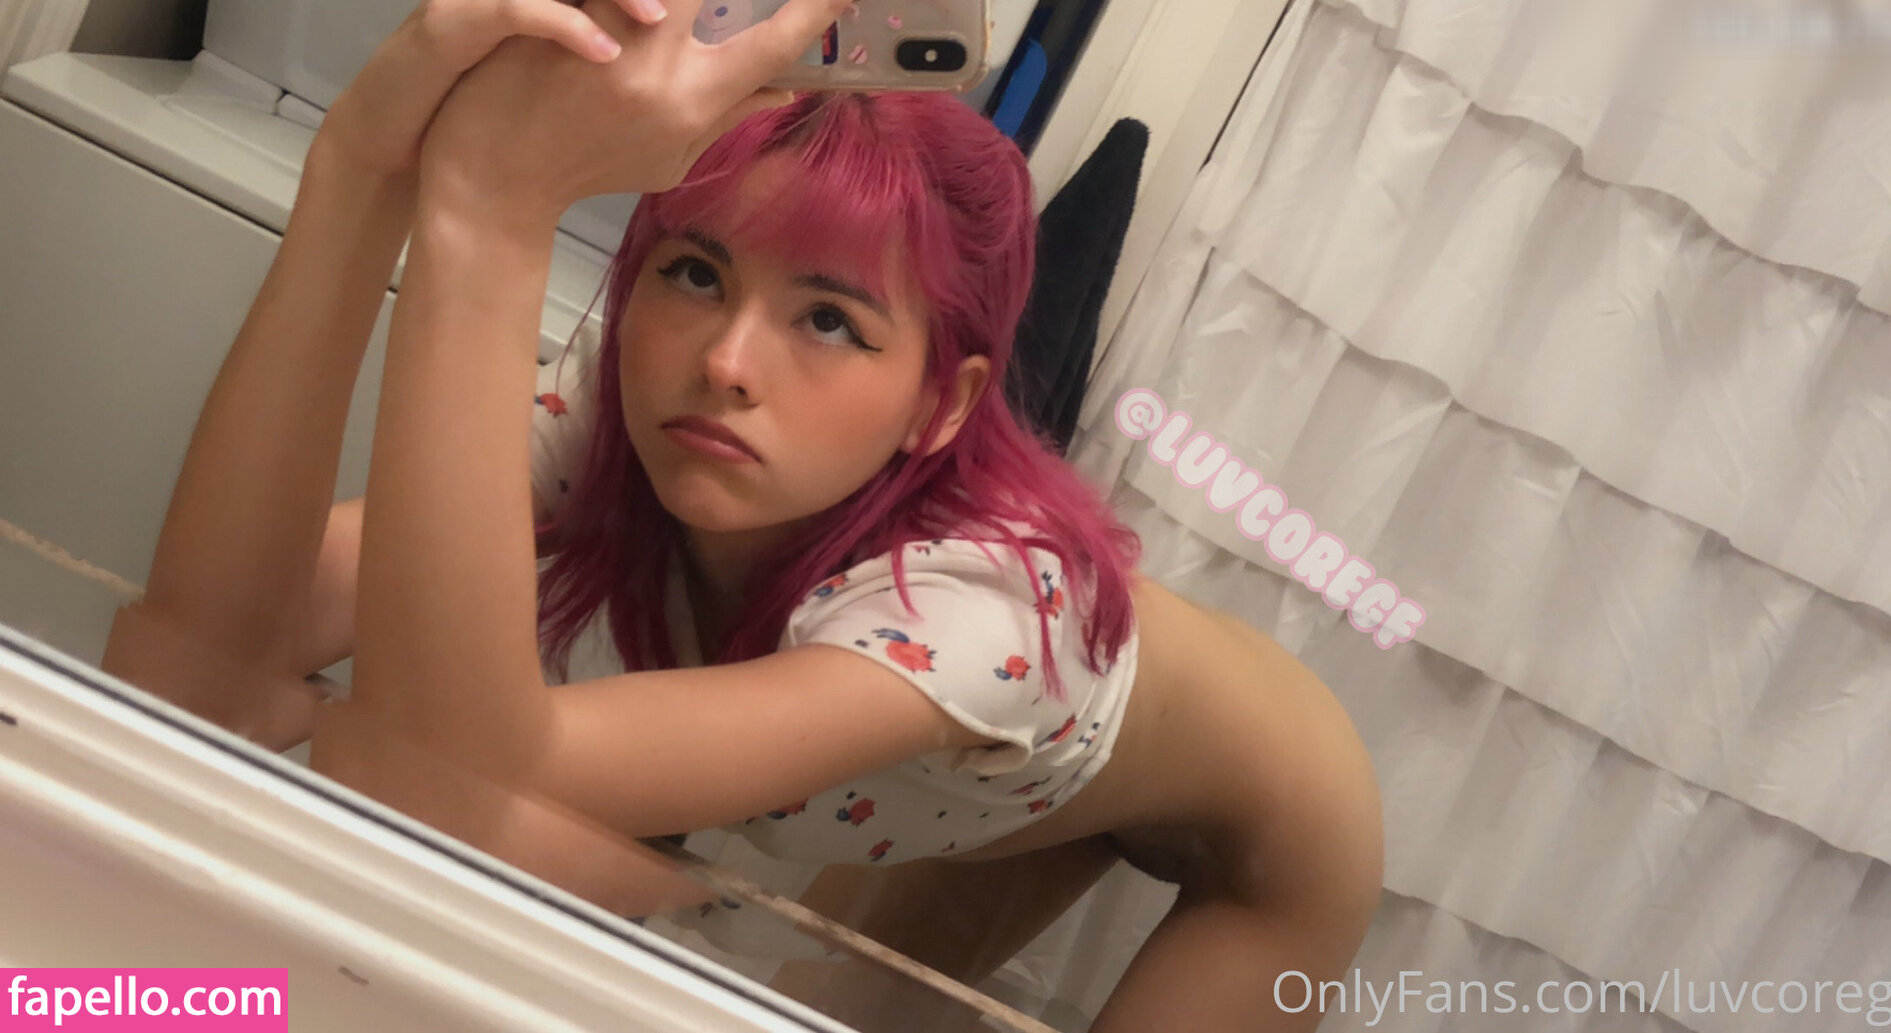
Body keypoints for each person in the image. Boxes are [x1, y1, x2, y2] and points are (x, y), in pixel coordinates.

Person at [100, 0, 1384, 1028]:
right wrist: (361, 169)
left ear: (940, 402)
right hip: (999, 786)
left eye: (829, 318)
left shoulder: (978, 614)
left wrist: (491, 204)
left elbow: (446, 780)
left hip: (1269, 840)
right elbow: (208, 647)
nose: (724, 361)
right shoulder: (629, 405)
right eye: (695, 272)